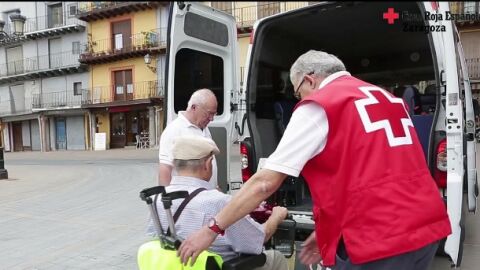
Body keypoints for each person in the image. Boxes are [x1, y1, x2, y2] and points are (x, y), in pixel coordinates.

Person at [177, 50, 452, 270]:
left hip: (381, 239)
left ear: (310, 79)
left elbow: (264, 184)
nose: (299, 98)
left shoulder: (323, 104)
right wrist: (326, 232)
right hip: (425, 225)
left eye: (297, 91)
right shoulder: (386, 97)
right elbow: (367, 173)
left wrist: (212, 229)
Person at [149, 135, 289, 270]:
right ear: (208, 164)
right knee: (276, 258)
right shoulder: (219, 201)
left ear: (175, 165)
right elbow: (257, 240)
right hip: (224, 265)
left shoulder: (156, 198)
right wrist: (276, 217)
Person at [158, 88, 218, 189]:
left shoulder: (204, 128)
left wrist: (215, 188)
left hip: (206, 195)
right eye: (209, 113)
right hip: (188, 200)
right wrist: (167, 199)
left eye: (214, 114)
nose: (212, 118)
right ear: (194, 107)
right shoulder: (174, 130)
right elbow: (165, 168)